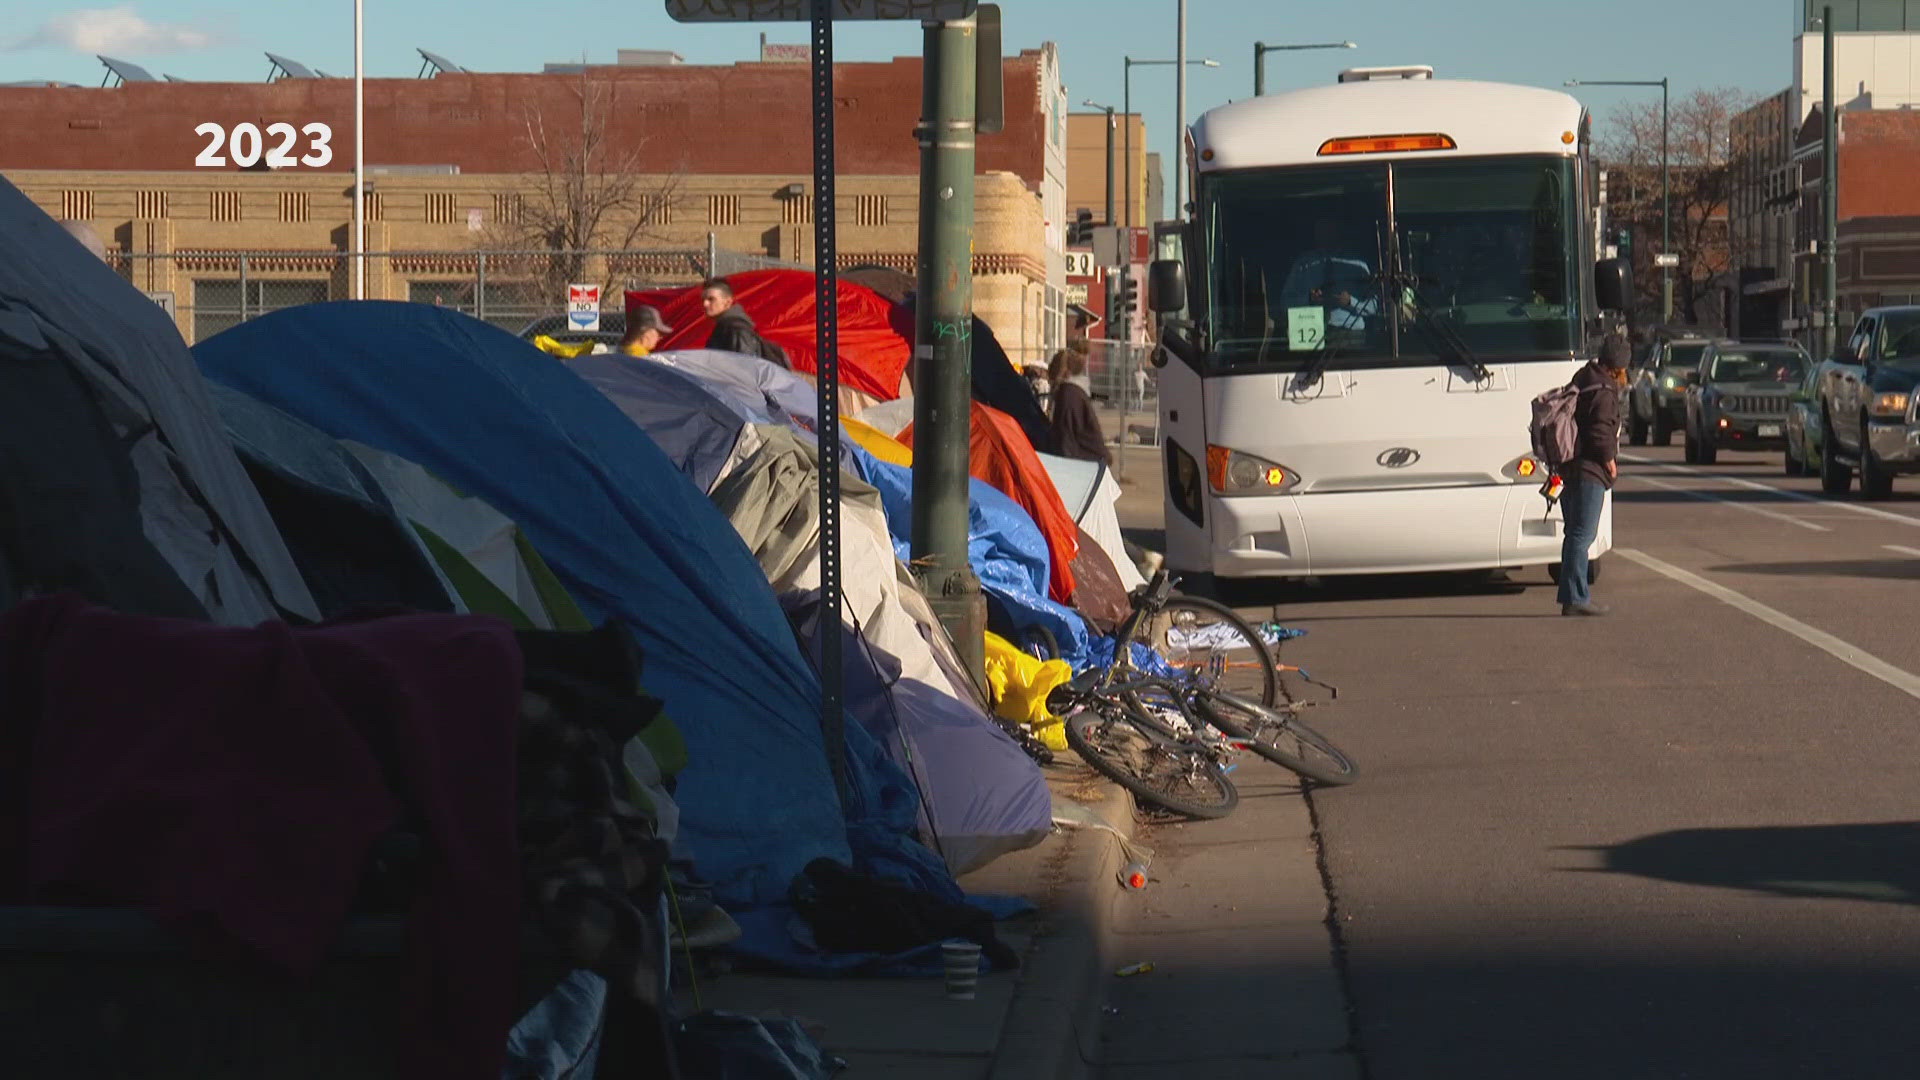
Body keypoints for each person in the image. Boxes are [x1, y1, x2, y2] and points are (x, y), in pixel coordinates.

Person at [1557, 332, 1629, 616]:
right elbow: (1600, 433)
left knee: (1572, 533)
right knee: (1581, 535)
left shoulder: (1583, 377)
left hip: (1571, 466)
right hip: (1590, 470)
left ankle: (1571, 596)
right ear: (1619, 365)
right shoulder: (1604, 390)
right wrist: (1610, 462)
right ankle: (1576, 598)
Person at [1279, 217, 1379, 345]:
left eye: (1330, 229)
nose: (1325, 233)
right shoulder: (1303, 265)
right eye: (1321, 229)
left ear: (1338, 231)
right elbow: (1285, 302)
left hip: (1351, 335)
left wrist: (1350, 302)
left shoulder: (1357, 265)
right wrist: (1308, 299)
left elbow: (1374, 307)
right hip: (1311, 334)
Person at [700, 277, 789, 369]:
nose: (705, 304)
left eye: (711, 299)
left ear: (727, 302)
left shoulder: (736, 329)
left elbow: (746, 368)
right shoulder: (724, 327)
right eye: (703, 299)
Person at [1048, 348, 1111, 467]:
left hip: (1086, 463)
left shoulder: (1067, 395)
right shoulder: (1074, 392)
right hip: (1092, 459)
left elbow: (1066, 437)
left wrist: (1062, 466)